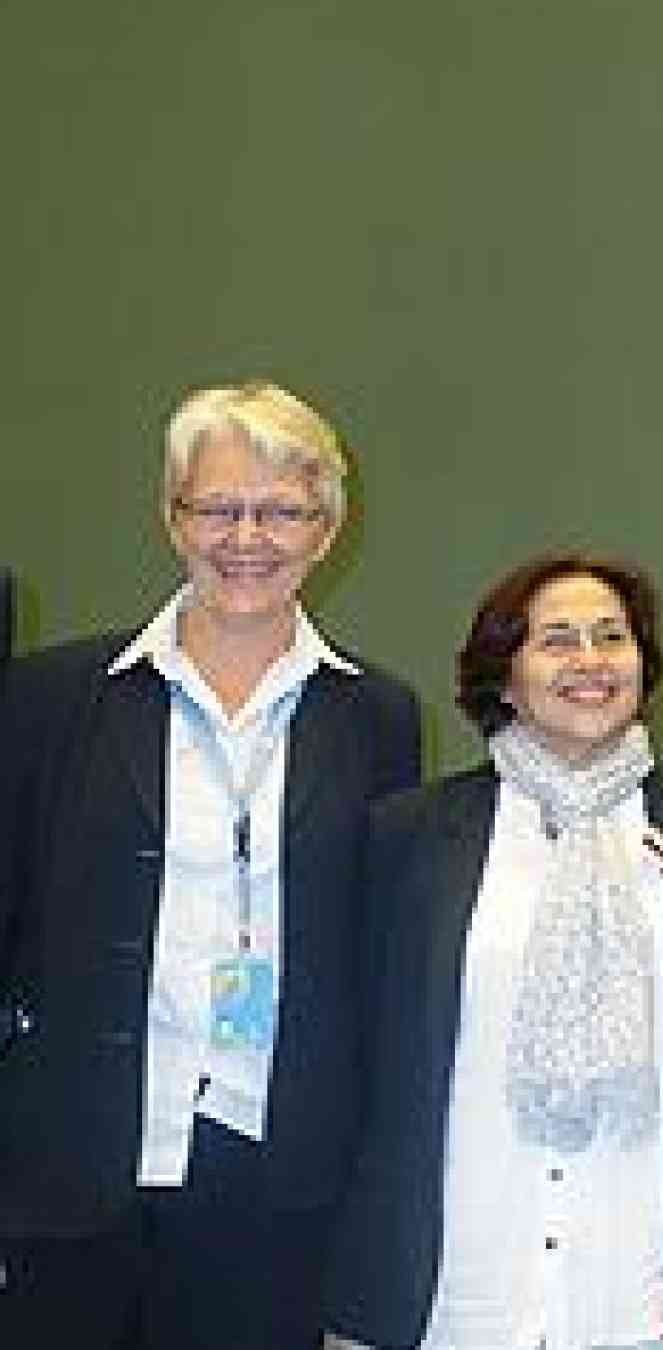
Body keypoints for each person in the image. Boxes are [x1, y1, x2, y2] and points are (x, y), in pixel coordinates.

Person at [0, 381, 421, 1348]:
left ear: (327, 531)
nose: (247, 538)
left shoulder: (376, 717)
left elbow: (368, 951)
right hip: (70, 1166)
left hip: (275, 1172)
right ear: (170, 517)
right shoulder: (52, 700)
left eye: (281, 512)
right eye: (217, 509)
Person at [321, 556, 663, 1349]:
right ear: (503, 678)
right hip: (454, 1278)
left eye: (611, 637)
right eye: (557, 640)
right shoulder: (406, 836)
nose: (590, 660)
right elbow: (352, 1052)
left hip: (637, 1278)